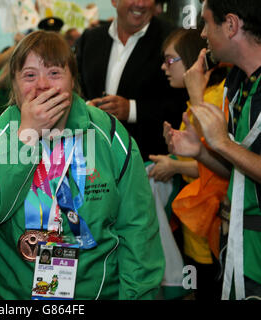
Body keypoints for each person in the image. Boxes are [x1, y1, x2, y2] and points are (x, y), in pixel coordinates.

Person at [0, 30, 164, 300]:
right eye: (29, 75)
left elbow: (138, 228)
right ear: (14, 84)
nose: (42, 85)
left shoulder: (109, 135)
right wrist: (27, 135)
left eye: (54, 73)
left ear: (73, 80)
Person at [165, 0, 261, 300]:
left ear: (231, 25)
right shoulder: (236, 82)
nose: (203, 34)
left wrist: (222, 143)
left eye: (207, 23)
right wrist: (202, 153)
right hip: (235, 244)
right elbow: (237, 171)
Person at [149, 28, 228, 300]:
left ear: (194, 60)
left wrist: (175, 167)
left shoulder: (214, 100)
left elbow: (226, 168)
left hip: (212, 226)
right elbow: (197, 155)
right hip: (195, 226)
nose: (164, 67)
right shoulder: (202, 99)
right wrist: (174, 155)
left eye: (171, 60)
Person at [75, 0, 187, 162]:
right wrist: (86, 108)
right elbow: (75, 88)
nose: (140, 4)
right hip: (94, 159)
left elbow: (182, 103)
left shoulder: (172, 40)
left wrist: (132, 110)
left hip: (148, 165)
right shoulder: (90, 39)